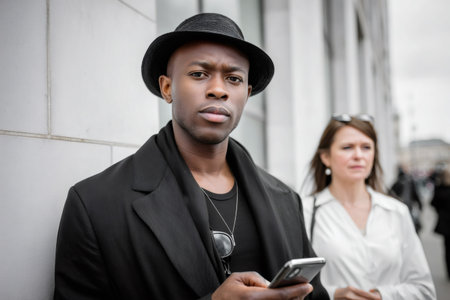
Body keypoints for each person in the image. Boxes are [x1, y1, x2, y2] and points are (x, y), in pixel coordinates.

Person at [53, 13, 329, 300]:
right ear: (167, 87)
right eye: (199, 74)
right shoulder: (96, 203)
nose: (219, 90)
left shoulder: (284, 198)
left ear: (246, 94)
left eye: (233, 79)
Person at [302, 114, 436, 300]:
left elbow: (424, 290)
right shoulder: (305, 212)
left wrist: (382, 296)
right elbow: (293, 289)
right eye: (347, 147)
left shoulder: (396, 211)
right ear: (325, 157)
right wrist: (332, 295)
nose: (358, 155)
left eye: (366, 147)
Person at [389, 166, 423, 233]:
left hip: (400, 209)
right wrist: (420, 205)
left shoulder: (397, 183)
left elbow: (390, 195)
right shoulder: (409, 182)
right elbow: (416, 194)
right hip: (407, 207)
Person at [430, 164, 450, 280]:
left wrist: (440, 211)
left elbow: (433, 203)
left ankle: (449, 272)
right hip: (446, 223)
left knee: (447, 249)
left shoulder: (439, 189)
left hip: (445, 223)